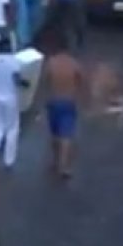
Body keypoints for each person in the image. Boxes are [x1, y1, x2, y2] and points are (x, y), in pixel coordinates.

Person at [43, 42, 84, 178]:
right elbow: (81, 82)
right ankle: (63, 166)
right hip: (68, 101)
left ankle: (55, 160)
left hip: (53, 102)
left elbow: (45, 82)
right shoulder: (73, 64)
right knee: (66, 135)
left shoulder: (51, 63)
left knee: (55, 134)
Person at [0, 38, 29, 170]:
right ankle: (8, 161)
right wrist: (26, 84)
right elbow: (16, 80)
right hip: (10, 99)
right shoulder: (14, 61)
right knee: (12, 129)